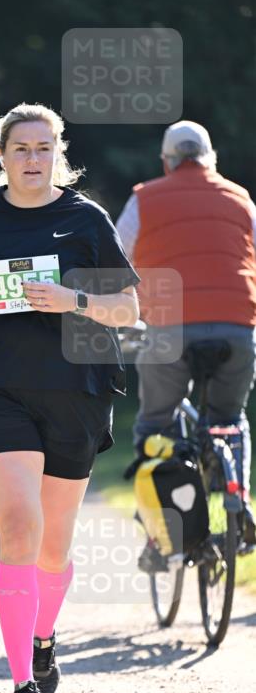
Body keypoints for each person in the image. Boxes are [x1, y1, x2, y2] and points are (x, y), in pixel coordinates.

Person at [0, 103, 140, 693]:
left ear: (58, 152)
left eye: (44, 148)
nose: (33, 159)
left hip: (76, 391)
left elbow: (127, 308)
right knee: (19, 528)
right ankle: (23, 686)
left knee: (54, 543)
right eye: (21, 148)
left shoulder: (85, 219)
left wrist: (73, 299)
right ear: (1, 156)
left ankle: (44, 638)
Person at [115, 120, 256, 549]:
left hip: (168, 329)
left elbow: (115, 258)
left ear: (166, 160)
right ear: (210, 157)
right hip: (238, 326)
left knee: (155, 423)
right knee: (230, 420)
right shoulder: (241, 199)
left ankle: (163, 535)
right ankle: (240, 499)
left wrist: (122, 313)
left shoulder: (144, 199)